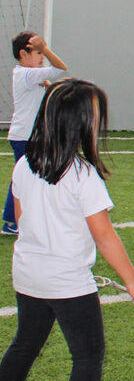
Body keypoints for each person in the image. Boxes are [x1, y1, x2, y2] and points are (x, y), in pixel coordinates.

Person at [0, 79, 134, 381]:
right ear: (81, 124)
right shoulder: (84, 176)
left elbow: (21, 219)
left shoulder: (23, 164)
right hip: (68, 283)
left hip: (28, 275)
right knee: (88, 355)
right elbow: (105, 236)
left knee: (25, 343)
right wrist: (133, 282)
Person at [3, 32, 68, 235]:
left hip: (29, 136)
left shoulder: (29, 76)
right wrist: (48, 50)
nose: (42, 57)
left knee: (26, 178)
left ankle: (15, 220)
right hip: (25, 137)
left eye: (42, 52)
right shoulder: (28, 74)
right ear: (23, 54)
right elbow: (60, 68)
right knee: (24, 179)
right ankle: (12, 221)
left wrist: (47, 84)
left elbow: (51, 89)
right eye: (38, 52)